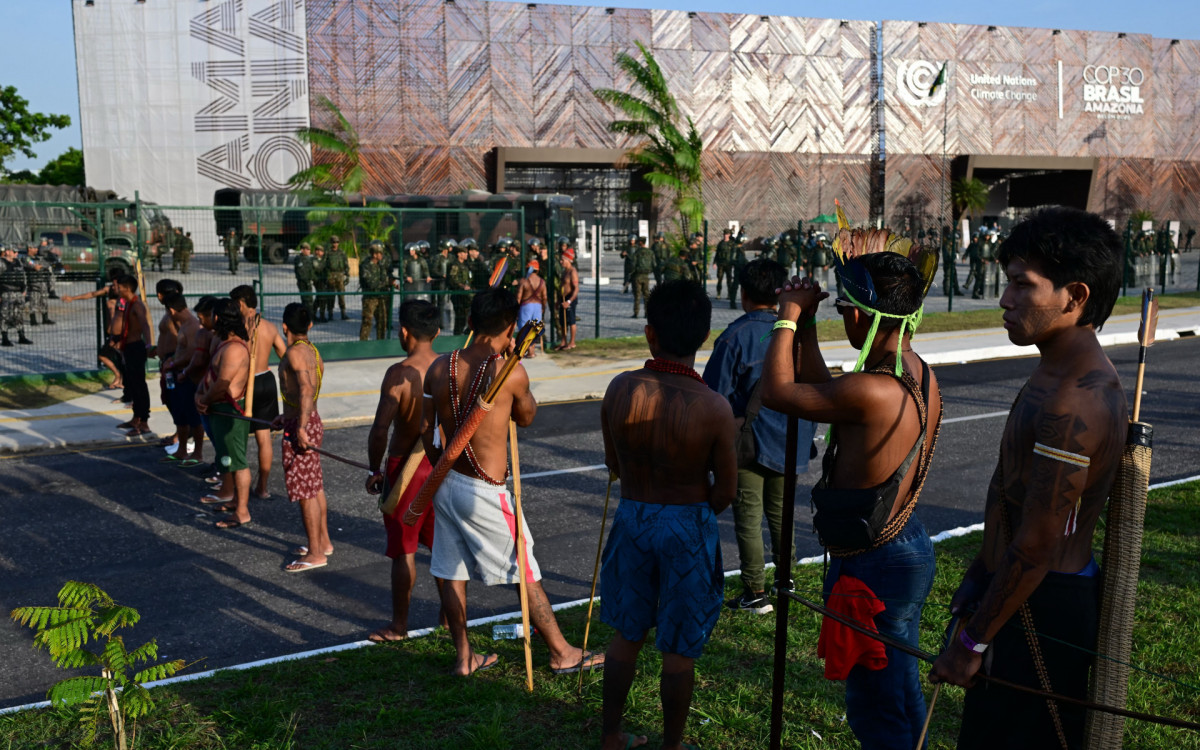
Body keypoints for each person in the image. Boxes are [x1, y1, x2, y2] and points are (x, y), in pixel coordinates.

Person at [929, 207, 1127, 750]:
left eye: (1022, 284)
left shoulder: (1076, 400)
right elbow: (1012, 495)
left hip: (1043, 608)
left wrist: (970, 644)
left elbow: (1039, 542)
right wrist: (981, 571)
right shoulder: (1054, 369)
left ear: (1075, 296)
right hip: (1016, 595)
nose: (1005, 299)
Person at [762, 242, 943, 750]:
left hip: (875, 560)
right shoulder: (914, 371)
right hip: (900, 544)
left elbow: (778, 393)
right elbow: (831, 396)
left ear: (862, 316)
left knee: (876, 703)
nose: (843, 318)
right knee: (899, 688)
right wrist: (808, 329)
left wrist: (787, 317)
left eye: (843, 310)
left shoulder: (874, 389)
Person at [422, 288, 603, 676]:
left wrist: (442, 467)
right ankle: (561, 652)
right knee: (525, 569)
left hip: (446, 482)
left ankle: (464, 657)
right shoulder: (510, 371)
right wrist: (516, 363)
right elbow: (527, 416)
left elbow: (426, 429)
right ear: (510, 327)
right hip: (484, 491)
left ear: (470, 323)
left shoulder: (439, 367)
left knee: (451, 571)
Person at [599, 280, 737, 750]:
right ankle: (672, 746)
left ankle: (611, 735)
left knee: (627, 633)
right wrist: (692, 507)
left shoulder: (620, 388)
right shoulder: (714, 407)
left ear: (649, 333)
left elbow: (613, 463)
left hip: (633, 516)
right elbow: (726, 491)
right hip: (688, 525)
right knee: (678, 648)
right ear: (704, 336)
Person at [703, 259, 817, 614]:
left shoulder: (734, 337)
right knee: (782, 516)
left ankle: (755, 592)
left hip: (749, 444)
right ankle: (786, 582)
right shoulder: (797, 334)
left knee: (749, 519)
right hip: (791, 439)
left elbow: (713, 396)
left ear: (743, 294)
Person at [365, 300, 444, 640]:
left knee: (404, 550)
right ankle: (449, 619)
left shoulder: (398, 374)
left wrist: (374, 469)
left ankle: (399, 626)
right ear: (437, 332)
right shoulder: (447, 367)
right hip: (439, 465)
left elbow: (380, 429)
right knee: (443, 548)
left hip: (405, 469)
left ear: (403, 331)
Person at [271, 303, 330, 572]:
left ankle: (316, 553)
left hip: (303, 425)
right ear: (310, 326)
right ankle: (323, 543)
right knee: (314, 486)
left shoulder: (295, 353)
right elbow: (302, 392)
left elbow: (306, 389)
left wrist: (301, 426)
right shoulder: (312, 351)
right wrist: (287, 416)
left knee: (306, 491)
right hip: (306, 419)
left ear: (284, 327)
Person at [196, 298, 253, 529]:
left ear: (218, 318)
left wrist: (204, 400)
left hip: (230, 413)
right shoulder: (225, 344)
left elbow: (222, 384)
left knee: (237, 461)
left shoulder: (234, 349)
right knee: (227, 458)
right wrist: (200, 395)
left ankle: (242, 511)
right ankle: (235, 500)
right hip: (218, 410)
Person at [231, 285, 286, 501]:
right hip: (266, 380)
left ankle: (235, 487)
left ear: (241, 304)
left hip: (245, 384)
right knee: (264, 438)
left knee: (238, 438)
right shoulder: (269, 327)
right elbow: (285, 356)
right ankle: (262, 487)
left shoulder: (238, 328)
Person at [159, 292, 206, 466]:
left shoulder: (191, 326)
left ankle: (198, 453)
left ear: (171, 310)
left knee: (193, 417)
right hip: (178, 375)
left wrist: (175, 364)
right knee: (180, 415)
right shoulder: (184, 325)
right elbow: (183, 351)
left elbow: (193, 354)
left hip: (187, 377)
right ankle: (181, 449)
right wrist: (172, 360)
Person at [114, 275, 153, 437]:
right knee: (132, 384)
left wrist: (149, 344)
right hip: (128, 348)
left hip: (136, 348)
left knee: (139, 386)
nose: (117, 289)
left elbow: (145, 324)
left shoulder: (137, 305)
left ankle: (144, 422)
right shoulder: (128, 304)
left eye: (119, 287)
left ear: (127, 288)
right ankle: (136, 418)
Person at [150, 279, 184, 450]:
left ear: (159, 295)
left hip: (174, 363)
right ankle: (180, 432)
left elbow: (184, 339)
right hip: (167, 362)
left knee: (176, 400)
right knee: (169, 399)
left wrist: (175, 358)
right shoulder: (168, 314)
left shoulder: (176, 315)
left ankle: (182, 434)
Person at [0, 246, 32, 346]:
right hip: (7, 292)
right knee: (5, 315)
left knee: (19, 315)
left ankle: (21, 336)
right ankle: (5, 338)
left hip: (18, 293)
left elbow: (23, 276)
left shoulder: (18, 262)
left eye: (17, 252)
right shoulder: (1, 263)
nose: (16, 254)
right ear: (8, 252)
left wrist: (24, 289)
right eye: (14, 251)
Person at [360, 242, 392, 341]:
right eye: (380, 253)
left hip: (381, 297)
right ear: (374, 254)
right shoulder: (365, 266)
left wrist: (390, 282)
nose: (382, 255)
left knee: (382, 322)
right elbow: (371, 284)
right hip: (370, 298)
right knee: (367, 322)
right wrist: (386, 282)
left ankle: (381, 342)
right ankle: (363, 343)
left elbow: (384, 278)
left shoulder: (380, 265)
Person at [516, 259, 547, 356]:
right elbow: (544, 297)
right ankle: (532, 350)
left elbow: (518, 297)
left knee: (525, 328)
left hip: (526, 306)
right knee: (535, 329)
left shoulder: (524, 281)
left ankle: (529, 350)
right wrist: (543, 307)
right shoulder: (542, 282)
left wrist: (516, 309)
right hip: (538, 306)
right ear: (537, 270)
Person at [22, 244, 55, 326]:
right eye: (34, 248)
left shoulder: (39, 258)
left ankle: (45, 318)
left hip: (42, 281)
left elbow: (47, 265)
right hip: (33, 283)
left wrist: (41, 267)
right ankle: (33, 320)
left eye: (37, 248)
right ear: (29, 248)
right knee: (34, 301)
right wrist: (40, 267)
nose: (37, 249)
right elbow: (35, 266)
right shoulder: (26, 258)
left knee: (44, 301)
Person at [554, 247, 579, 350]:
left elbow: (576, 289)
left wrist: (569, 301)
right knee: (562, 321)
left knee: (571, 320)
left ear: (568, 260)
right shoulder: (565, 271)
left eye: (563, 260)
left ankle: (572, 342)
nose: (561, 262)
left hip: (570, 298)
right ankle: (563, 341)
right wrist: (558, 301)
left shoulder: (572, 272)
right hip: (563, 298)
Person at [447, 243, 472, 336]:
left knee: (466, 317)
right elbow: (452, 279)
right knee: (460, 317)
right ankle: (457, 336)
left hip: (466, 295)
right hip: (458, 295)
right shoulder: (455, 265)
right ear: (459, 254)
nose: (466, 254)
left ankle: (464, 333)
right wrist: (462, 286)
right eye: (464, 253)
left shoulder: (465, 265)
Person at [325, 235, 350, 320]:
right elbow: (324, 265)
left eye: (337, 242)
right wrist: (326, 276)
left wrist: (347, 275)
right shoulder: (328, 253)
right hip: (331, 275)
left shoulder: (342, 253)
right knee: (331, 295)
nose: (335, 244)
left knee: (341, 295)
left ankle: (343, 313)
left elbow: (346, 264)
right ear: (331, 243)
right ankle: (330, 313)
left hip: (340, 275)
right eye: (333, 242)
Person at [630, 236, 654, 319]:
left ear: (640, 242)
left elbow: (633, 265)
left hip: (637, 276)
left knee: (637, 295)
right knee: (646, 295)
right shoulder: (650, 252)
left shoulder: (637, 252)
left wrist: (631, 273)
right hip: (646, 276)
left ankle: (636, 313)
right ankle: (647, 313)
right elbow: (654, 264)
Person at [294, 242, 316, 315]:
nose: (309, 251)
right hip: (303, 283)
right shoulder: (299, 259)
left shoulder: (309, 259)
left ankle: (311, 315)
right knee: (306, 300)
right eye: (307, 249)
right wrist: (307, 281)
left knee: (310, 300)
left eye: (309, 250)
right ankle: (307, 316)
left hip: (308, 282)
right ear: (302, 250)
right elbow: (301, 273)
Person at [311, 244, 330, 322]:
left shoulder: (323, 260)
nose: (319, 252)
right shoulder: (314, 260)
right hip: (318, 281)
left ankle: (314, 314)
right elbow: (318, 269)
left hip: (323, 281)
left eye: (321, 251)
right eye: (317, 250)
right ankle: (320, 315)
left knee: (320, 297)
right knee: (322, 297)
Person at [714, 229, 734, 297]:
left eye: (727, 234)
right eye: (724, 234)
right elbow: (717, 254)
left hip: (728, 264)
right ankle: (718, 293)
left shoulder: (732, 244)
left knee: (729, 280)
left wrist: (734, 263)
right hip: (721, 264)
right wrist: (715, 262)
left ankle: (729, 294)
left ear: (729, 235)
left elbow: (734, 254)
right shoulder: (720, 243)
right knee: (719, 279)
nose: (725, 235)